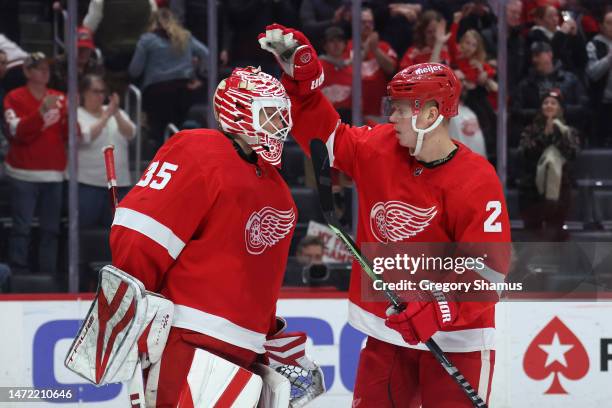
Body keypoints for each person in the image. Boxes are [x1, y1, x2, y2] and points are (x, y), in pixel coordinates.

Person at [260, 25, 511, 406]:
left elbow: (490, 268)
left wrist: (442, 305)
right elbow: (327, 137)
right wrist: (303, 83)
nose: (390, 117)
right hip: (387, 333)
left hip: (458, 341)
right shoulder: (380, 147)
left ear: (430, 114)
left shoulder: (477, 179)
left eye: (400, 109)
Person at [109, 66, 321, 406]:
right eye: (270, 115)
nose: (281, 126)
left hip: (247, 351)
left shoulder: (281, 193)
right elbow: (139, 239)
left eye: (283, 117)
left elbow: (259, 282)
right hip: (189, 340)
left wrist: (270, 336)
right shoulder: (197, 151)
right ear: (238, 109)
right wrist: (141, 309)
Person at [3, 53, 67, 275]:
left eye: (46, 68)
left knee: (51, 230)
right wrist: (41, 112)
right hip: (23, 174)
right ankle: (19, 275)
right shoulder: (14, 98)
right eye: (39, 68)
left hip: (54, 174)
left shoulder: (60, 97)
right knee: (22, 229)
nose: (45, 71)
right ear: (27, 72)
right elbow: (16, 131)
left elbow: (69, 133)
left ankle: (48, 275)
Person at [128, 8, 209, 147]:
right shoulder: (185, 37)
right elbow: (206, 53)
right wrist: (198, 72)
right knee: (178, 127)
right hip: (184, 91)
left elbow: (134, 70)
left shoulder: (147, 40)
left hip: (156, 93)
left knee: (159, 133)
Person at [518, 89, 579, 241]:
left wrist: (558, 134)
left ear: (560, 108)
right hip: (532, 188)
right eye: (546, 103)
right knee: (533, 236)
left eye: (553, 103)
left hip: (560, 189)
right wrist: (544, 134)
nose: (549, 106)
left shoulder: (569, 131)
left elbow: (572, 154)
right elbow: (525, 153)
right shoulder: (530, 130)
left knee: (555, 236)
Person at [77, 74, 135, 228]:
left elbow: (131, 133)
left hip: (119, 184)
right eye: (95, 91)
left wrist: (115, 113)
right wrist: (105, 117)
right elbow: (84, 137)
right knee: (85, 232)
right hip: (89, 184)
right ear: (84, 93)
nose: (100, 95)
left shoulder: (116, 112)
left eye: (102, 91)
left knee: (117, 232)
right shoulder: (77, 114)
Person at [344, 7, 397, 117]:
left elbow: (391, 69)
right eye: (363, 22)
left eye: (370, 22)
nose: (367, 25)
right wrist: (366, 49)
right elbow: (344, 70)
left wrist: (375, 49)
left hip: (380, 111)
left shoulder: (384, 46)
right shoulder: (346, 46)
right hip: (355, 110)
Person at [585, 9, 612, 147]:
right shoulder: (593, 44)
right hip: (602, 104)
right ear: (601, 25)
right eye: (609, 23)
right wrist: (609, 58)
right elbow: (592, 73)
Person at [319, 26, 352, 123]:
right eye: (332, 41)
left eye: (340, 41)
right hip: (324, 120)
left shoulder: (352, 69)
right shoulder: (317, 67)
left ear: (345, 44)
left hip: (347, 121)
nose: (336, 45)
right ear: (325, 45)